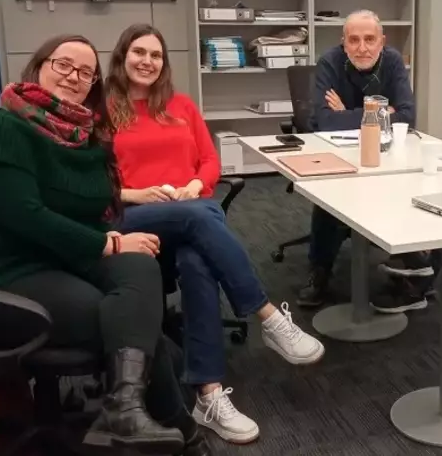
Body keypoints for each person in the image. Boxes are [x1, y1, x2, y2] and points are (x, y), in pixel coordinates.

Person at [0, 34, 208, 455]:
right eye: (63, 65)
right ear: (39, 66)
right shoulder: (3, 127)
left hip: (64, 257)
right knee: (138, 326)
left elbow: (92, 209)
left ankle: (124, 409)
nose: (74, 77)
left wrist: (111, 239)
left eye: (87, 72)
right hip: (9, 273)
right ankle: (179, 428)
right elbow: (26, 217)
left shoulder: (86, 136)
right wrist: (108, 245)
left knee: (140, 266)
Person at [107, 24, 325, 444]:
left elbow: (209, 161)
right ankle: (267, 315)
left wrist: (194, 184)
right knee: (202, 217)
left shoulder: (181, 106)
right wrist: (135, 193)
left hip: (187, 209)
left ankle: (207, 395)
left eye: (156, 55)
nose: (147, 61)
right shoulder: (103, 112)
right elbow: (92, 184)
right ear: (122, 56)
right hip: (133, 216)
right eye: (138, 52)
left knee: (197, 260)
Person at [300, 9, 432, 313]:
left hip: (385, 151)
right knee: (331, 195)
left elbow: (407, 117)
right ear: (343, 42)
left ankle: (413, 266)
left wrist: (347, 112)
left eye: (370, 39)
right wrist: (379, 112)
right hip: (336, 150)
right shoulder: (330, 62)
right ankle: (319, 270)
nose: (362, 48)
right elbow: (324, 121)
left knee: (405, 187)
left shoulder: (393, 61)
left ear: (382, 41)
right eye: (354, 40)